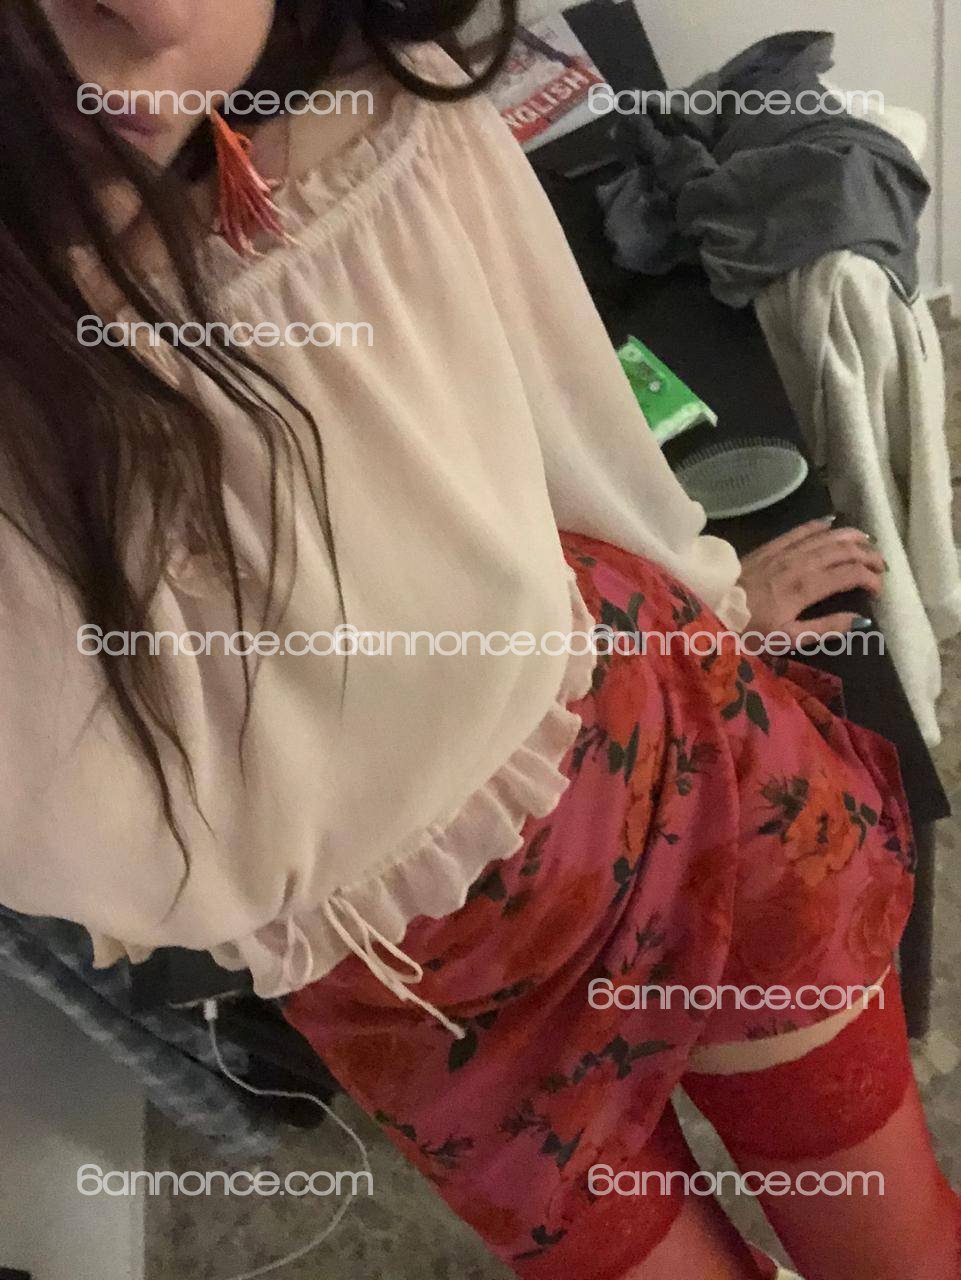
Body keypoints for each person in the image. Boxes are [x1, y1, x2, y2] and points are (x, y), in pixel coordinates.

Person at [0, 2, 955, 1277]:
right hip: (418, 995)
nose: (155, 11)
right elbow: (89, 840)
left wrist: (715, 612)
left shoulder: (375, 121)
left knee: (894, 1249)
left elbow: (574, 435)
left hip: (675, 782)